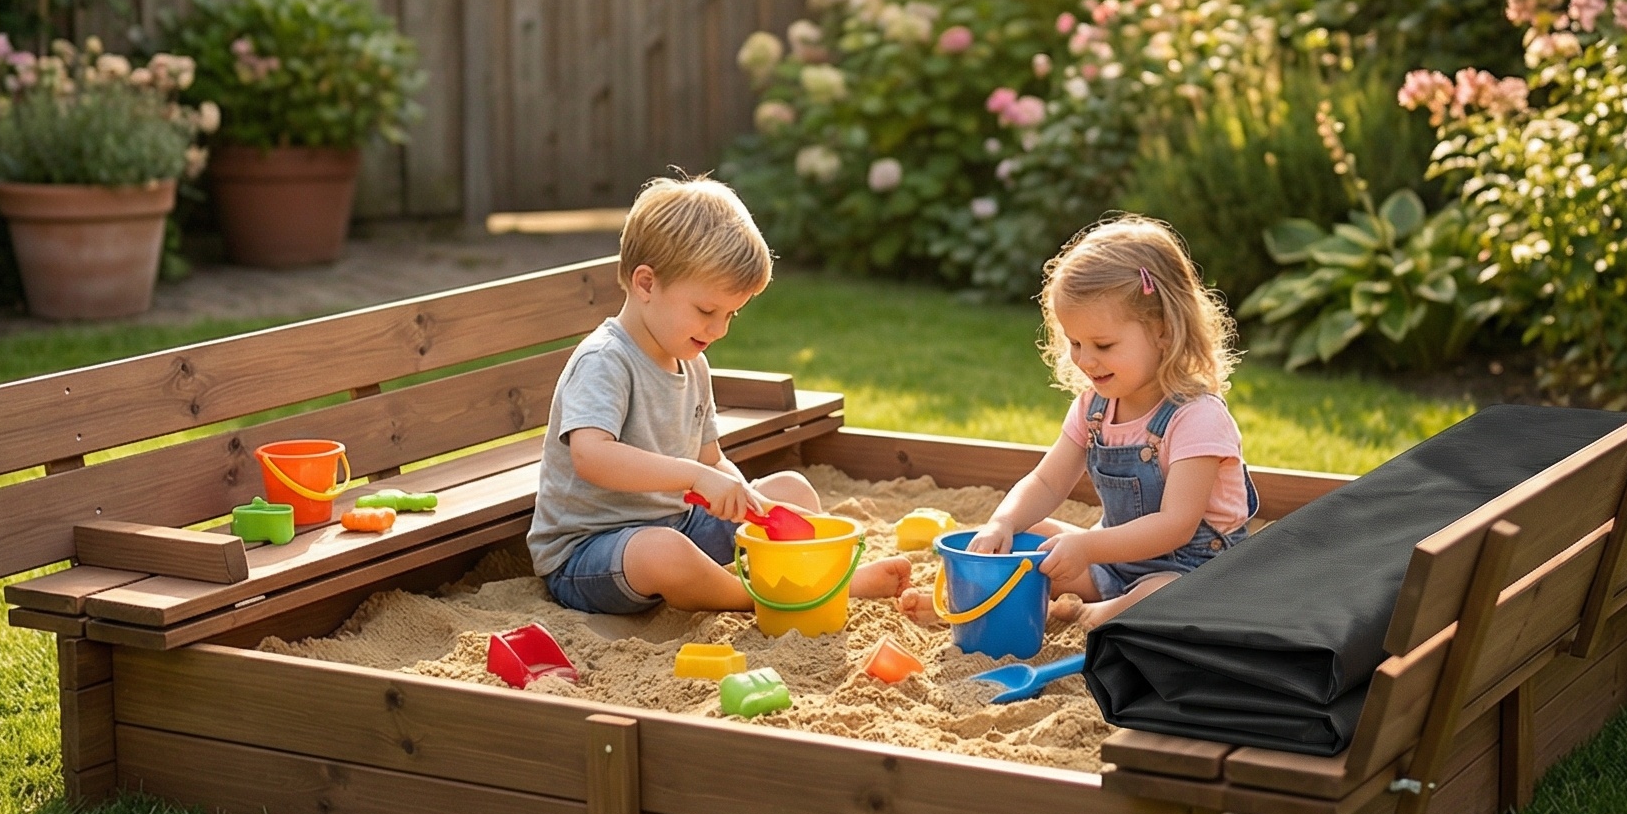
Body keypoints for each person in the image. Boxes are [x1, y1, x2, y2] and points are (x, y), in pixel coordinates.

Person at [528, 174, 911, 615]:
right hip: (592, 553)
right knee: (664, 553)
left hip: (678, 524)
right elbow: (591, 457)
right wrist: (693, 478)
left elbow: (711, 460)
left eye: (731, 314)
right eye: (707, 310)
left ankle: (810, 577)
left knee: (793, 491)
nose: (719, 329)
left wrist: (745, 497)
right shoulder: (605, 360)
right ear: (647, 284)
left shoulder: (691, 361)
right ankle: (771, 598)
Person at [961, 215, 1253, 632]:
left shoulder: (1197, 418)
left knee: (1162, 594)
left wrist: (1087, 546)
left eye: (1103, 345)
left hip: (1193, 574)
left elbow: (1176, 525)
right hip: (1113, 563)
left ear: (1164, 333)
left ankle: (1089, 615)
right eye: (1075, 342)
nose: (1085, 359)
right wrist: (1003, 522)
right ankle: (1091, 604)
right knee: (1032, 531)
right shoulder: (1093, 409)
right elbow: (1046, 483)